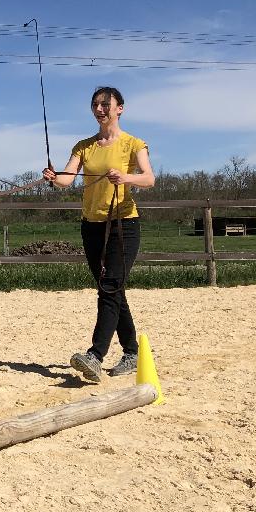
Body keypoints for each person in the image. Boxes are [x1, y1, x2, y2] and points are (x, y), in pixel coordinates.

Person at [42, 86, 155, 382]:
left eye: (106, 104)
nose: (100, 108)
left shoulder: (134, 144)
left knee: (108, 288)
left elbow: (149, 178)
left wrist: (126, 177)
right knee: (112, 288)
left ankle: (95, 355)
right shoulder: (84, 146)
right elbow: (68, 179)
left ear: (120, 108)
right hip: (91, 225)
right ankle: (132, 352)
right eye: (95, 104)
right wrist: (55, 179)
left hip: (122, 225)